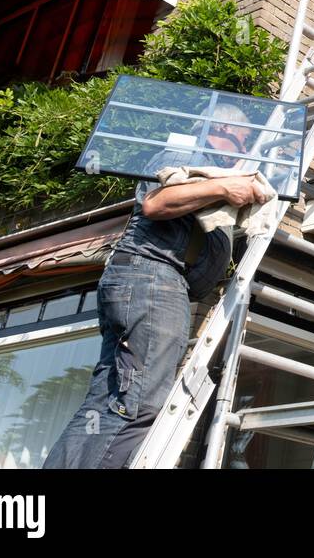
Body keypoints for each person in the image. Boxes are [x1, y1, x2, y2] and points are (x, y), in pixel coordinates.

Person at [44, 104, 269, 468]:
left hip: (151, 281)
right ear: (222, 130)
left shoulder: (207, 170)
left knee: (107, 401)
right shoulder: (188, 154)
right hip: (153, 277)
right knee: (139, 403)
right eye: (243, 138)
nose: (244, 149)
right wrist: (226, 186)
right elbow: (157, 202)